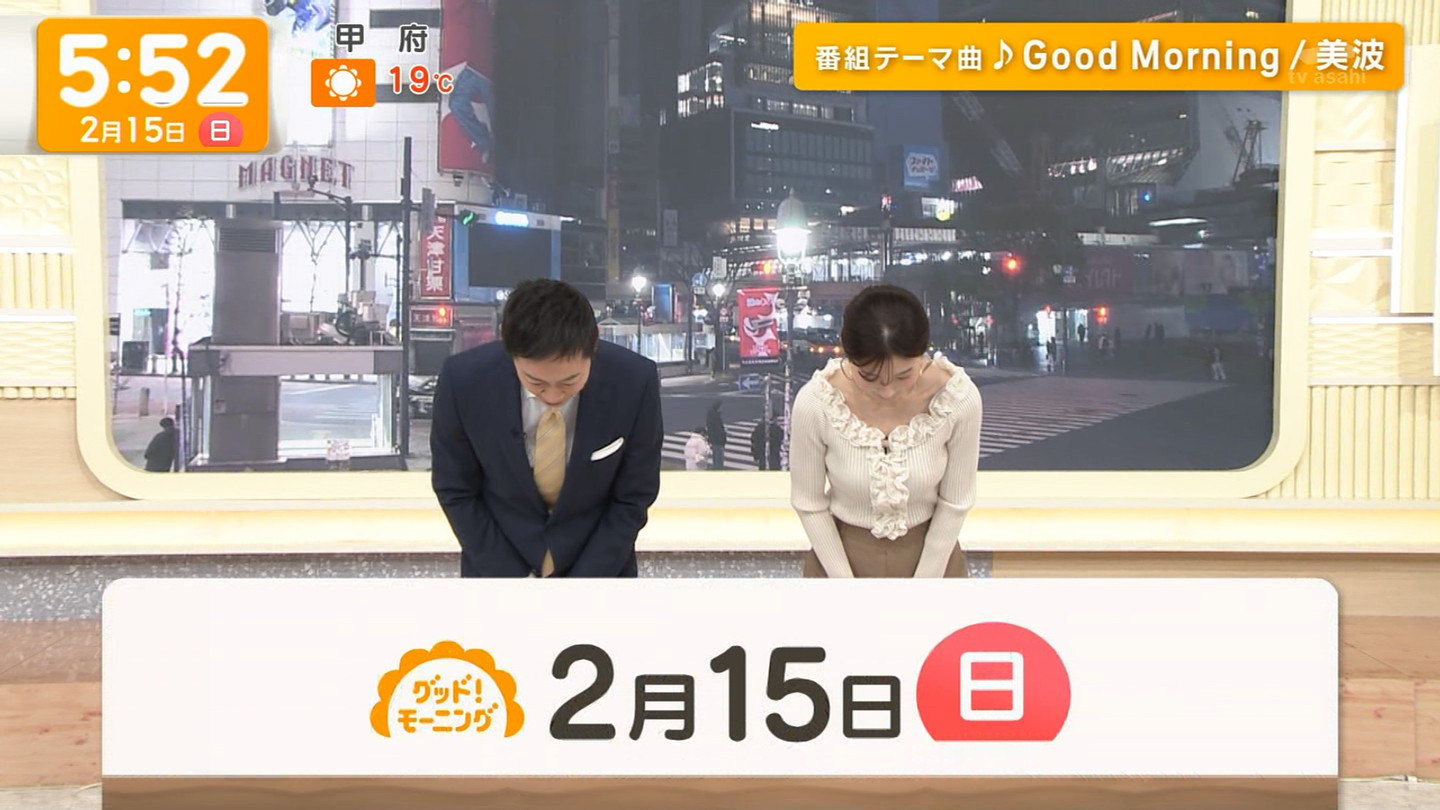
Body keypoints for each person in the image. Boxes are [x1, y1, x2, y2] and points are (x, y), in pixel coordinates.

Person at [430, 279, 663, 578]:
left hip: (602, 571)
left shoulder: (634, 381)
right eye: (535, 382)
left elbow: (634, 495)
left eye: (569, 381)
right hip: (495, 571)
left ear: (594, 342)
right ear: (508, 346)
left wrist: (585, 583)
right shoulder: (463, 382)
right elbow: (456, 488)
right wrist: (511, 579)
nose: (553, 396)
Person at [789, 285, 982, 578]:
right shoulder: (817, 402)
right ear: (849, 357)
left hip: (935, 558)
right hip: (838, 560)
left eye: (904, 375)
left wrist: (926, 582)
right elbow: (809, 503)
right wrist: (844, 582)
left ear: (922, 354)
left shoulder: (957, 398)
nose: (888, 390)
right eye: (869, 376)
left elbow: (956, 502)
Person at [705, 401, 727, 470]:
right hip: (718, 440)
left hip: (715, 440)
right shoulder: (715, 417)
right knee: (718, 457)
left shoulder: (712, 416)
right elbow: (718, 430)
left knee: (717, 456)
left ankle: (717, 468)